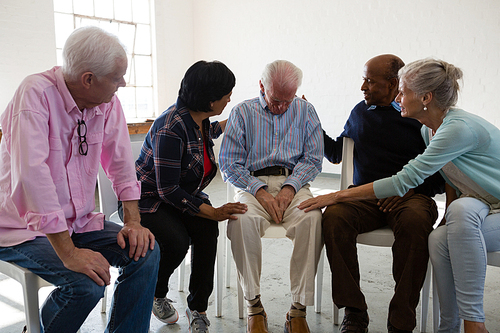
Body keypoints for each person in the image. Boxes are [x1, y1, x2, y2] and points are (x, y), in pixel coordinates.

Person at [300, 58, 500, 333]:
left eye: (403, 92)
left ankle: (417, 322)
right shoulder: (425, 127)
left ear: (424, 97)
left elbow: (421, 178)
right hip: (383, 198)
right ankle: (360, 313)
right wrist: (311, 122)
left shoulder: (446, 127)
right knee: (338, 218)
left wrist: (338, 195)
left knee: (431, 224)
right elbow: (451, 175)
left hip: (428, 198)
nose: (398, 97)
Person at [0, 26, 159, 333]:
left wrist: (134, 222)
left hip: (77, 223)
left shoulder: (106, 103)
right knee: (85, 286)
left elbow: (122, 163)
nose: (122, 84)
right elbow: (33, 179)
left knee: (145, 253)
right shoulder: (34, 95)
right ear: (88, 79)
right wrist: (69, 253)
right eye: (116, 77)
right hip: (21, 230)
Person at [319, 54, 445, 333]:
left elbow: (440, 176)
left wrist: (406, 188)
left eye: (369, 81)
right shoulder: (360, 112)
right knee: (334, 216)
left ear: (392, 84)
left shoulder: (419, 117)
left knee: (415, 224)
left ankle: (401, 321)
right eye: (363, 80)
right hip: (365, 197)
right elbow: (338, 154)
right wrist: (310, 122)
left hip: (411, 197)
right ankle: (354, 311)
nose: (363, 87)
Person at [135, 60, 247, 333]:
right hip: (148, 200)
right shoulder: (170, 128)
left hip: (180, 194)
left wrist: (247, 115)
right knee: (177, 240)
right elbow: (167, 190)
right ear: (209, 100)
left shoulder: (199, 120)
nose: (230, 98)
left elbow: (213, 130)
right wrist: (214, 211)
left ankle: (197, 308)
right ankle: (155, 293)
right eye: (226, 94)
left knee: (208, 230)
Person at [219, 60, 324, 333]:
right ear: (261, 86)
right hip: (252, 184)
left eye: (288, 101)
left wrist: (290, 188)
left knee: (313, 219)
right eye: (276, 100)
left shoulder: (306, 111)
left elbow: (313, 160)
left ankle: (298, 311)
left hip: (295, 183)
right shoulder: (242, 112)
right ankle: (254, 306)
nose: (282, 107)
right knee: (240, 221)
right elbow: (230, 164)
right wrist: (260, 192)